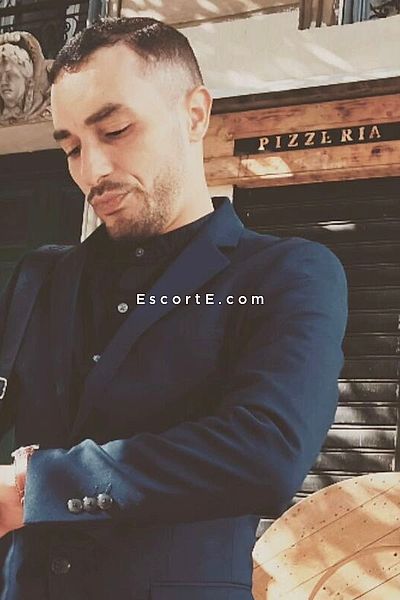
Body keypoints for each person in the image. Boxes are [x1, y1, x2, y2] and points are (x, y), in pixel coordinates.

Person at [0, 17, 348, 600]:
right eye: (71, 148)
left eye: (115, 130)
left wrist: (34, 487)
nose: (91, 170)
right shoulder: (40, 276)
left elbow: (265, 452)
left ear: (194, 114)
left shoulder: (287, 272)